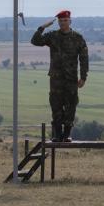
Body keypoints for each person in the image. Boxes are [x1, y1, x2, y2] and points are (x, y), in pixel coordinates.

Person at [31, 10, 88, 142]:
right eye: (61, 21)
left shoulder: (78, 38)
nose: (63, 23)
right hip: (56, 79)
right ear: (58, 23)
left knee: (70, 106)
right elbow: (35, 41)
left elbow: (84, 59)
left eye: (65, 21)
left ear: (70, 21)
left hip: (71, 79)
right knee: (56, 105)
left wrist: (83, 77)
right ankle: (57, 134)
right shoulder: (53, 36)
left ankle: (67, 134)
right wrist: (42, 27)